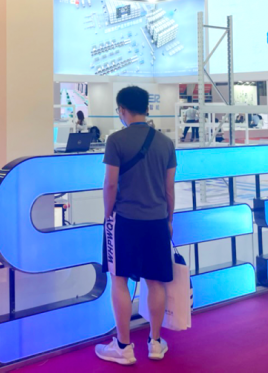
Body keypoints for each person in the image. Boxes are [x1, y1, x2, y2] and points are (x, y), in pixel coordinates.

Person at [96, 86, 177, 365]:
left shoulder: (116, 140)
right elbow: (169, 189)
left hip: (125, 221)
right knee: (155, 281)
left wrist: (108, 215)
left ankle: (123, 346)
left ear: (122, 109)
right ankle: (155, 343)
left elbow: (110, 184)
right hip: (156, 220)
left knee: (119, 279)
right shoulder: (165, 143)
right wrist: (169, 219)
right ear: (147, 108)